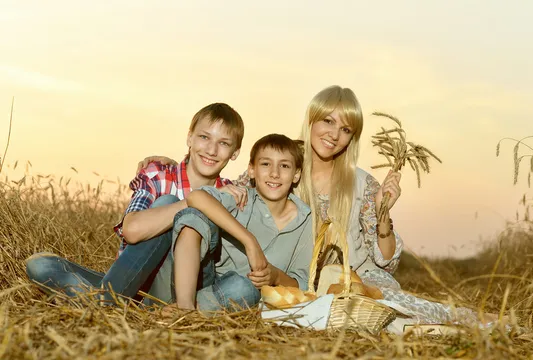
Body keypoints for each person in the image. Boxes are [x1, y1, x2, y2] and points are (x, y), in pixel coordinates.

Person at [141, 87, 502, 327]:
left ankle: (463, 325)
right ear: (311, 120)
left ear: (352, 137)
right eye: (328, 121)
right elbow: (230, 191)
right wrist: (177, 165)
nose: (334, 133)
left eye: (346, 129)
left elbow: (386, 260)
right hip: (290, 282)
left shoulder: (361, 183)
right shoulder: (283, 166)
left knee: (389, 306)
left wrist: (384, 214)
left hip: (352, 279)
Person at [25, 103, 248, 305]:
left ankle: (103, 303)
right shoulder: (158, 175)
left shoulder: (231, 192)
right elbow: (131, 231)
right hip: (132, 284)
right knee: (40, 264)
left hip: (181, 293)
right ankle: (112, 301)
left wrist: (215, 198)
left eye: (224, 143)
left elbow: (273, 179)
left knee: (171, 206)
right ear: (189, 138)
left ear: (235, 152)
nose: (211, 150)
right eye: (204, 137)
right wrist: (197, 200)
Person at [151, 133, 312, 311]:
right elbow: (196, 197)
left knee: (245, 288)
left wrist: (275, 277)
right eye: (266, 164)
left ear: (296, 174)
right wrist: (249, 241)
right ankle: (185, 307)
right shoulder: (240, 197)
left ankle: (184, 310)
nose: (274, 173)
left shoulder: (304, 220)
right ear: (251, 170)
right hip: (195, 279)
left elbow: (302, 285)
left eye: (284, 166)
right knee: (193, 218)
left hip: (235, 294)